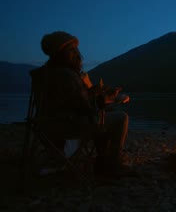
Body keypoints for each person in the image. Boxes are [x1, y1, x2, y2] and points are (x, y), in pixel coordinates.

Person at [39, 31, 133, 178]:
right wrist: (111, 98)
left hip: (46, 125)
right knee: (120, 117)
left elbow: (70, 101)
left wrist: (95, 94)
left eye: (75, 49)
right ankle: (112, 164)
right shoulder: (67, 75)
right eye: (71, 50)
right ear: (59, 53)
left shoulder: (46, 73)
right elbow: (84, 108)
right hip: (67, 125)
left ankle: (103, 161)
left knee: (104, 115)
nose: (76, 53)